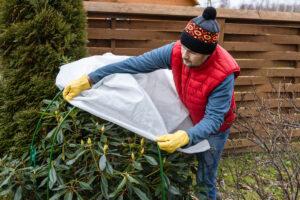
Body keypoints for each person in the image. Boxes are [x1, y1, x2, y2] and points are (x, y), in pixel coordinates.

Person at [63, 7, 240, 200]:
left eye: (192, 52)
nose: (184, 55)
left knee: (205, 179)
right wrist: (91, 79)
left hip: (216, 128)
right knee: (184, 169)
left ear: (208, 53)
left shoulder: (223, 74)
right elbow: (135, 64)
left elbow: (214, 119)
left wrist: (186, 137)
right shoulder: (175, 51)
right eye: (184, 47)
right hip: (191, 114)